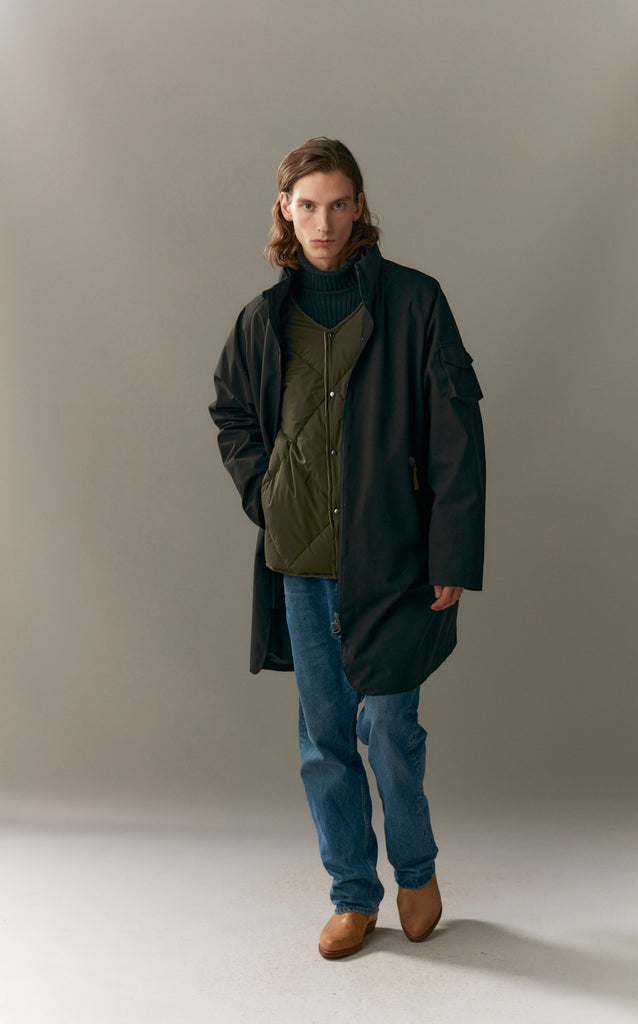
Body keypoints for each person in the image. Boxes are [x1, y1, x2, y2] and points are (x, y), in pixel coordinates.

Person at [209, 138, 485, 959]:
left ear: (358, 206)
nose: (322, 222)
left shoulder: (415, 302)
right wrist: (267, 495)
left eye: (336, 204)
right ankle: (352, 895)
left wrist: (451, 554)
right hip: (301, 566)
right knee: (324, 738)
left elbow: (455, 436)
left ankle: (416, 869)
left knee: (390, 726)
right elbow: (232, 413)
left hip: (395, 558)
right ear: (284, 213)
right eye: (306, 206)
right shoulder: (262, 322)